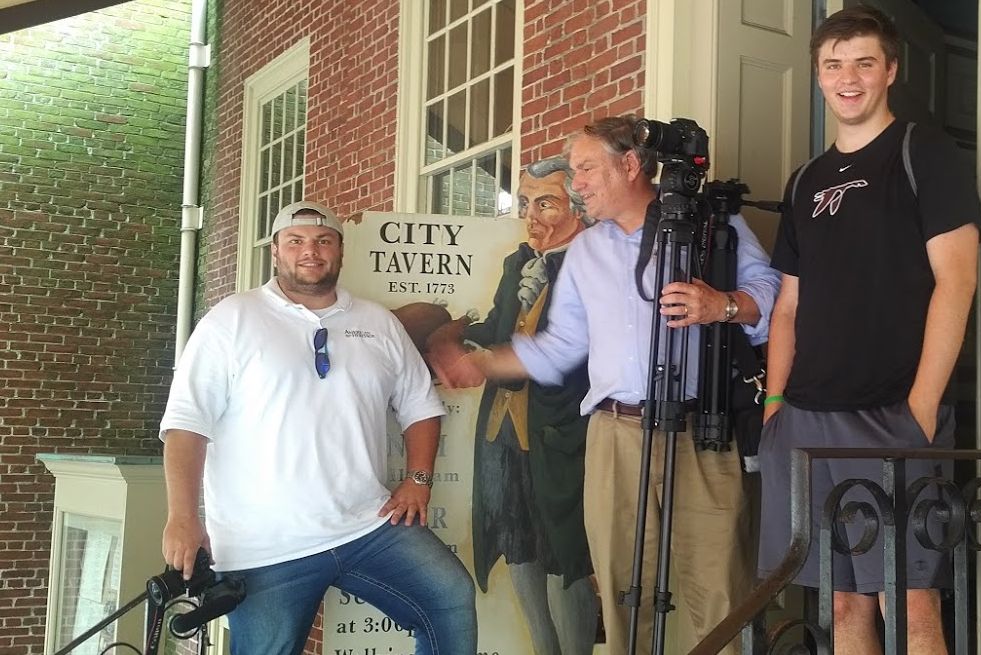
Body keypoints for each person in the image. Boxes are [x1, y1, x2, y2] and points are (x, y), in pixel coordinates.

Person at [439, 115, 781, 655]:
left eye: (586, 169)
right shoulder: (585, 252)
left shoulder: (713, 224)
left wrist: (724, 305)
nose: (577, 184)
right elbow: (560, 347)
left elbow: (773, 291)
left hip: (703, 432)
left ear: (630, 165)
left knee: (718, 589)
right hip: (614, 435)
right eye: (574, 172)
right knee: (625, 591)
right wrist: (484, 364)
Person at [757, 6, 981, 655]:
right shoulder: (804, 180)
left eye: (862, 62)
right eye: (833, 65)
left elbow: (957, 280)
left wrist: (920, 408)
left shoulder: (923, 153)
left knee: (909, 601)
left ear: (889, 69)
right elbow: (789, 307)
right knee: (842, 599)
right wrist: (775, 406)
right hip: (804, 420)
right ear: (818, 75)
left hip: (893, 416)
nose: (847, 78)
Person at [158, 200, 477, 655]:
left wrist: (418, 480)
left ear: (340, 251)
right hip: (264, 548)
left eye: (324, 240)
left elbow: (419, 405)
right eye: (296, 241)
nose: (311, 251)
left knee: (449, 599)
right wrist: (183, 516)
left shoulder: (378, 322)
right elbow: (187, 425)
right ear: (276, 251)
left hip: (369, 527)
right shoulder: (231, 320)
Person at [423, 156, 599, 655]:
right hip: (503, 432)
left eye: (547, 202)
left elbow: (577, 350)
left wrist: (484, 362)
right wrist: (453, 335)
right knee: (518, 546)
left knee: (564, 557)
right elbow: (503, 326)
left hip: (561, 432)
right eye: (525, 202)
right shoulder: (518, 262)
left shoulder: (594, 262)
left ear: (579, 207)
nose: (532, 215)